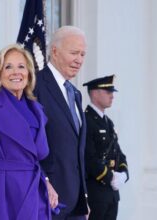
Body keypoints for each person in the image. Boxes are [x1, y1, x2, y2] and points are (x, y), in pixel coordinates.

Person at [0, 44, 56, 220]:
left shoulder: (37, 110)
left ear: (29, 74)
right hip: (3, 198)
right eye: (8, 67)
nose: (16, 72)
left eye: (21, 66)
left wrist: (45, 182)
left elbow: (32, 157)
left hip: (35, 196)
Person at [34, 26, 89, 220]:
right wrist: (44, 181)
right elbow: (28, 144)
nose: (79, 60)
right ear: (54, 51)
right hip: (48, 200)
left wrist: (84, 198)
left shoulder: (76, 94)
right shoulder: (35, 86)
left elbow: (76, 150)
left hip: (76, 205)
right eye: (74, 53)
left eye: (83, 54)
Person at [83, 75, 129, 220]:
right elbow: (88, 157)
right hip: (96, 192)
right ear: (95, 93)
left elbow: (118, 153)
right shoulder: (86, 120)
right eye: (108, 92)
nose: (112, 96)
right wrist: (109, 177)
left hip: (111, 195)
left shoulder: (108, 122)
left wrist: (123, 174)